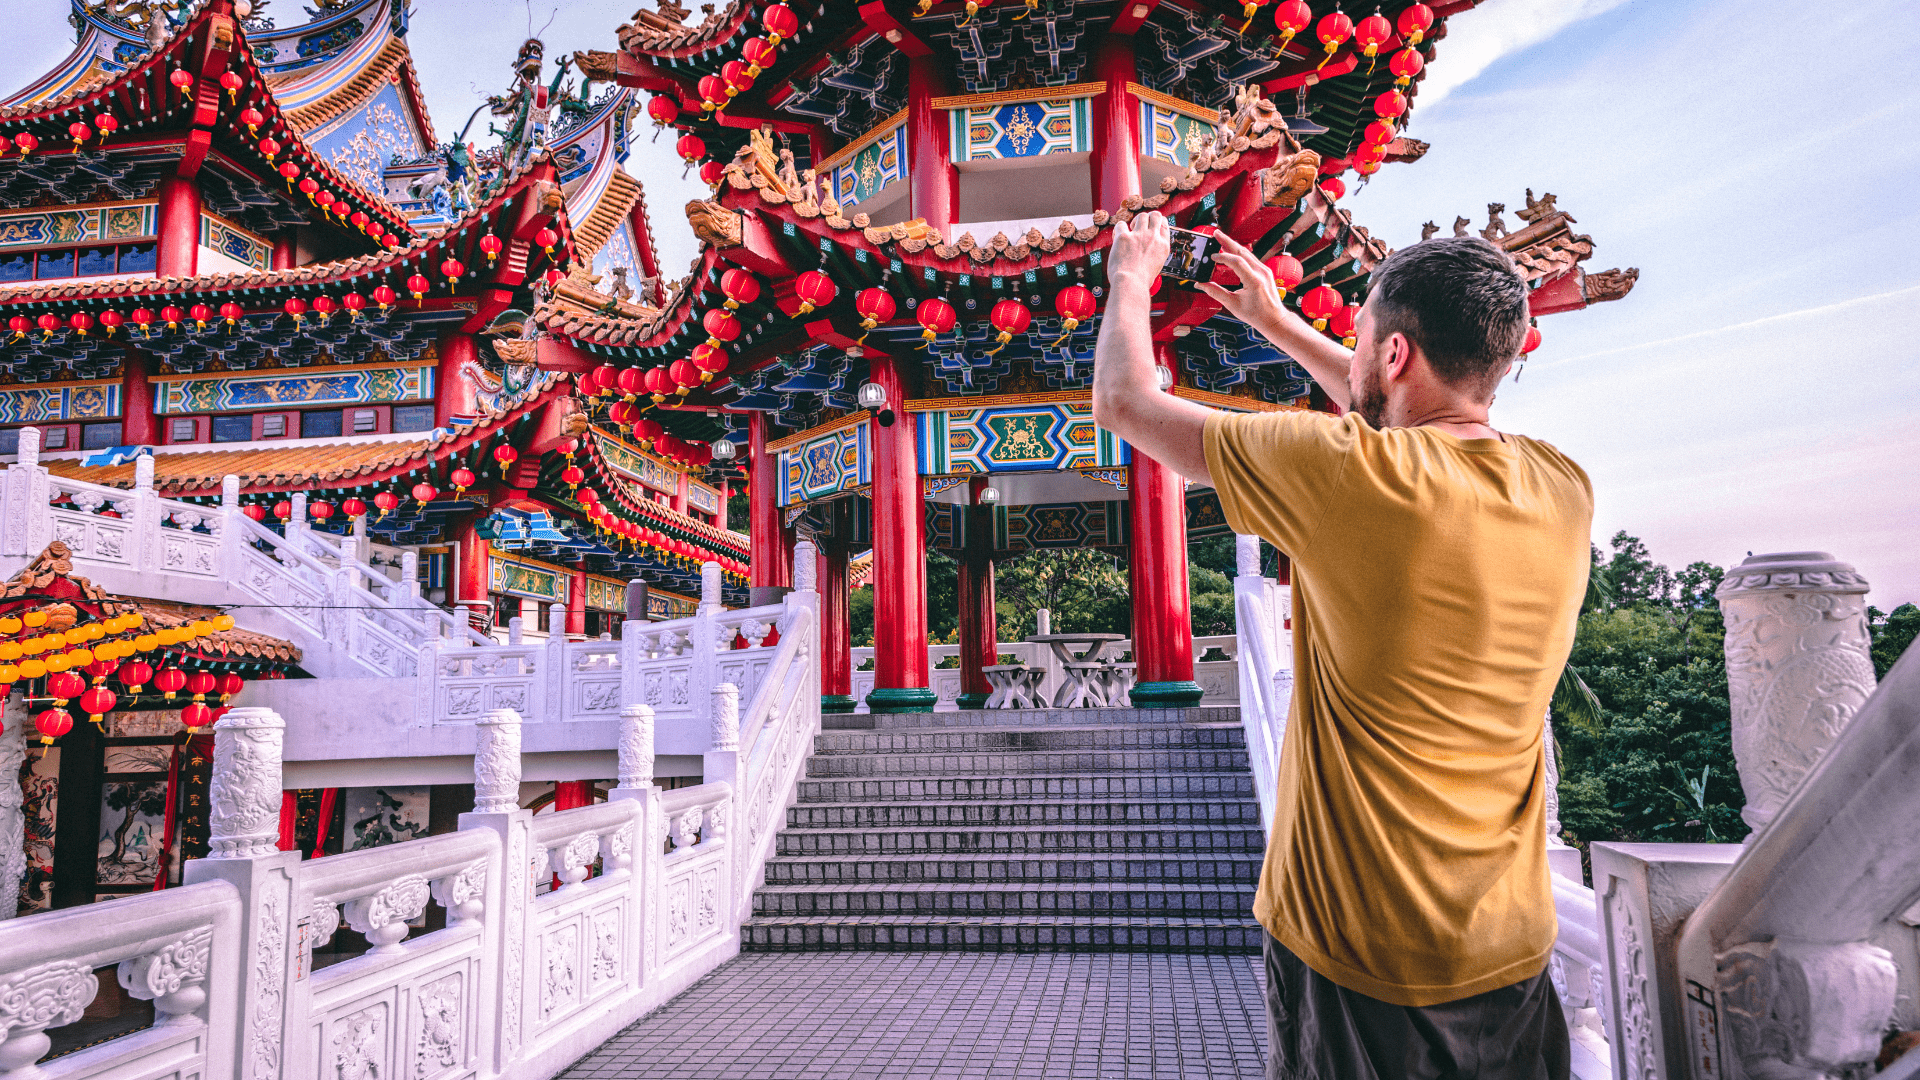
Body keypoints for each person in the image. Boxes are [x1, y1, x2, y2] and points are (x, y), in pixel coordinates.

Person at [1092, 211, 1590, 1079]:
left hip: (1364, 958)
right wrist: (1278, 324)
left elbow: (1125, 403)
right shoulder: (1562, 485)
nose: (1350, 355)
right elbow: (1395, 411)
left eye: (1359, 338)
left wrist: (1131, 276)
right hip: (1510, 948)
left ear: (1394, 355)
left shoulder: (1347, 474)